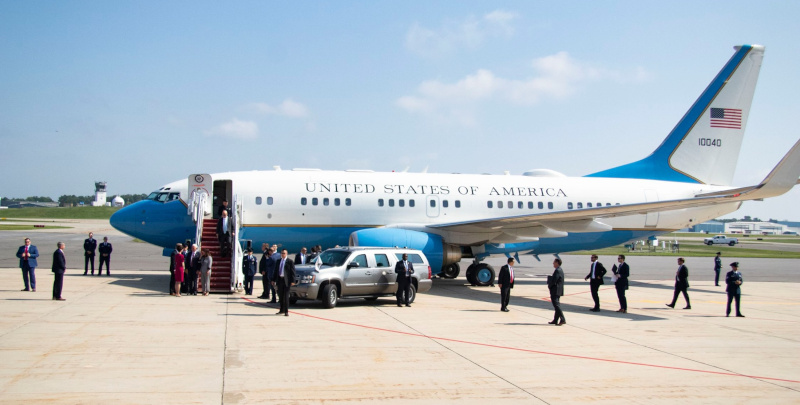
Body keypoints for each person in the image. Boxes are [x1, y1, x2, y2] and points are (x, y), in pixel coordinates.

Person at [272, 249, 296, 316]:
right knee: (281, 296)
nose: (283, 254)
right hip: (280, 280)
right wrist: (273, 280)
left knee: (286, 297)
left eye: (284, 253)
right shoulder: (278, 261)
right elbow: (276, 271)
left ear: (286, 254)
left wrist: (293, 281)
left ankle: (286, 311)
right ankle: (281, 310)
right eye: (282, 253)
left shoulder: (290, 261)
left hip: (287, 281)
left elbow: (293, 272)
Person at [548, 258, 566, 325]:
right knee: (556, 305)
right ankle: (555, 320)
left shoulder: (558, 270)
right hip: (558, 290)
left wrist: (550, 285)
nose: (553, 263)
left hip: (555, 290)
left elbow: (554, 280)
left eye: (554, 262)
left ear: (557, 263)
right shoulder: (559, 270)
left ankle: (562, 319)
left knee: (556, 305)